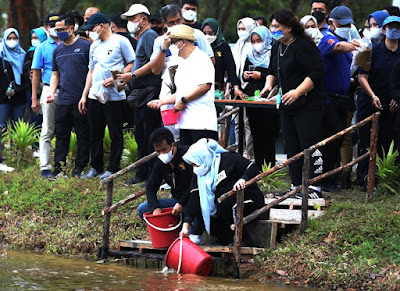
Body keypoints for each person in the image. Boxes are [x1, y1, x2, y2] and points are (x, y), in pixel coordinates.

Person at [261, 9, 326, 198]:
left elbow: (317, 72)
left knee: (310, 144)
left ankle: (315, 186)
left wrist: (298, 91)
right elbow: (272, 70)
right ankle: (296, 185)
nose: (273, 30)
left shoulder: (303, 45)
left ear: (289, 27)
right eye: (272, 26)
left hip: (309, 104)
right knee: (291, 146)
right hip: (287, 104)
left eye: (277, 27)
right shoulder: (277, 45)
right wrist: (268, 87)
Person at [78, 13, 135, 179]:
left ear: (102, 26)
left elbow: (131, 63)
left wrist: (117, 78)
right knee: (95, 132)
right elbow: (91, 70)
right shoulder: (94, 46)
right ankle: (95, 166)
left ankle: (113, 167)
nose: (90, 33)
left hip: (115, 96)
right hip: (95, 94)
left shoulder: (120, 41)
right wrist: (84, 95)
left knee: (115, 131)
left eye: (92, 29)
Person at [180, 138, 265, 245]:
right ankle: (226, 240)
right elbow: (194, 198)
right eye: (192, 165)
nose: (195, 168)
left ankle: (244, 242)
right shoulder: (200, 174)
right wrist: (186, 226)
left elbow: (252, 167)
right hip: (222, 208)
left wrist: (243, 179)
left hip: (247, 198)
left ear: (204, 157)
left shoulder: (228, 158)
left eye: (195, 164)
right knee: (204, 210)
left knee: (226, 205)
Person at [149, 3, 214, 142]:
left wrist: (184, 97)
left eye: (178, 21)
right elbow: (155, 70)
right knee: (176, 141)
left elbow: (205, 83)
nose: (176, 24)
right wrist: (162, 101)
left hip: (199, 117)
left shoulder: (198, 47)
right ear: (165, 24)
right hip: (174, 101)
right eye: (171, 23)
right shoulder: (162, 43)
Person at [117, 4, 162, 184]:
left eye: (133, 18)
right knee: (141, 135)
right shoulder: (141, 36)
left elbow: (154, 64)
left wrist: (133, 74)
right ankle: (142, 172)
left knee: (149, 135)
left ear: (143, 19)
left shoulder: (150, 35)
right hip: (140, 93)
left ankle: (152, 175)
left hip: (149, 92)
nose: (130, 22)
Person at [356, 16, 400, 188]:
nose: (394, 30)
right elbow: (362, 77)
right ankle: (363, 178)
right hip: (370, 101)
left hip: (392, 105)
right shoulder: (372, 50)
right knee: (366, 140)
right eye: (391, 27)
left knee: (387, 141)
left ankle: (381, 179)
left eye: (397, 27)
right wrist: (373, 95)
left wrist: (397, 98)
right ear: (384, 30)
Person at [47, 15, 91, 178]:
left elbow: (91, 72)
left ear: (71, 28)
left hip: (81, 99)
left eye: (62, 30)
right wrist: (52, 92)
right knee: (61, 135)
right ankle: (58, 168)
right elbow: (55, 74)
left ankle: (80, 167)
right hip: (63, 99)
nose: (58, 33)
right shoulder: (57, 50)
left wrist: (85, 95)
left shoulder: (85, 47)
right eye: (57, 30)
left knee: (82, 135)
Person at [242, 26, 279, 170]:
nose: (257, 44)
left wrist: (261, 76)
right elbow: (244, 71)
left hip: (268, 96)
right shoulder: (250, 54)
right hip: (252, 96)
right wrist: (245, 75)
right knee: (255, 131)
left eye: (259, 40)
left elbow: (275, 74)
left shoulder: (272, 54)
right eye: (254, 41)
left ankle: (269, 166)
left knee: (268, 132)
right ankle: (258, 165)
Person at [137, 128, 192, 218]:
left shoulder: (188, 156)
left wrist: (182, 203)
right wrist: (155, 208)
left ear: (174, 145)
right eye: (158, 152)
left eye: (165, 150)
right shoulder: (160, 164)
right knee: (142, 209)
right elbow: (150, 186)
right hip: (176, 202)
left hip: (193, 200)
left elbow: (196, 184)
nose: (162, 154)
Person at [31, 13, 61, 178]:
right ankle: (45, 167)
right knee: (47, 129)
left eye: (57, 26)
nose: (54, 29)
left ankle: (62, 165)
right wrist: (34, 98)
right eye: (51, 26)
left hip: (68, 90)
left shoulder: (67, 43)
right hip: (49, 89)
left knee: (66, 130)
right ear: (46, 28)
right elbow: (36, 74)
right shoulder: (42, 47)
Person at [232, 17, 258, 160]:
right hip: (238, 86)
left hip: (250, 88)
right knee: (237, 122)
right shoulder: (238, 45)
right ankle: (237, 147)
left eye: (244, 29)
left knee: (247, 122)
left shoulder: (254, 46)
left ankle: (249, 152)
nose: (242, 32)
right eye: (240, 29)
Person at [201, 18, 243, 97]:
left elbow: (231, 68)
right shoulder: (199, 47)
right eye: (205, 33)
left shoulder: (223, 47)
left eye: (210, 33)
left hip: (217, 89)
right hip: (200, 88)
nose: (207, 36)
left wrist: (235, 87)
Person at [0, 28, 27, 130]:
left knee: (17, 128)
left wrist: (16, 90)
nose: (12, 40)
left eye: (14, 38)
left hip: (19, 98)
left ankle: (15, 147)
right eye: (9, 38)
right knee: (2, 128)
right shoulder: (1, 57)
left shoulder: (23, 56)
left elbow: (26, 80)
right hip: (2, 99)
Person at [24, 27, 47, 128]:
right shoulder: (29, 53)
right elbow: (25, 71)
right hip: (33, 90)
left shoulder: (48, 50)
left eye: (37, 37)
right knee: (35, 118)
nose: (34, 40)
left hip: (47, 88)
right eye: (33, 37)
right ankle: (35, 143)